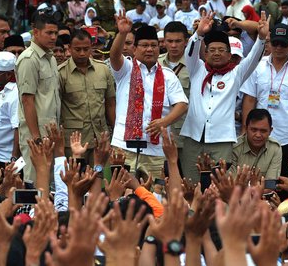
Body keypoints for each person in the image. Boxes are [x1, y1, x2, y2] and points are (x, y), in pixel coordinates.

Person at [180, 11, 268, 182]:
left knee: (219, 186)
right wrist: (198, 33)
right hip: (192, 137)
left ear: (229, 55)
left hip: (221, 140)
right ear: (205, 54)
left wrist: (262, 39)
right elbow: (190, 52)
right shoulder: (197, 69)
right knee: (190, 184)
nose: (216, 53)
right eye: (212, 50)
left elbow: (253, 59)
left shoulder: (236, 74)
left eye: (221, 50)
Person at [109, 14, 188, 178]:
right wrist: (122, 33)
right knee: (121, 195)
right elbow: (114, 56)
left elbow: (182, 104)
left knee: (155, 197)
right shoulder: (126, 70)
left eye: (153, 45)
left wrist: (164, 122)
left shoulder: (168, 75)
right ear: (134, 49)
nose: (150, 49)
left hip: (156, 150)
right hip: (124, 147)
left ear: (159, 49)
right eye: (144, 45)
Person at [241, 23, 288, 177]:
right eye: (275, 43)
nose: (278, 48)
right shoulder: (257, 66)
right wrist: (245, 131)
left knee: (286, 183)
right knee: (257, 181)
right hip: (259, 136)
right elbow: (249, 100)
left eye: (283, 44)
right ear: (269, 43)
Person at [58, 29, 116, 164]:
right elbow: (57, 108)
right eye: (77, 49)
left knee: (103, 179)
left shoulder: (103, 70)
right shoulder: (61, 73)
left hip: (101, 138)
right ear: (69, 48)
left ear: (92, 47)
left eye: (86, 49)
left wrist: (116, 135)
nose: (82, 53)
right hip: (74, 141)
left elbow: (110, 103)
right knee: (76, 180)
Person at [16, 14, 61, 182]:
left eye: (55, 33)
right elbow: (27, 101)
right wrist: (36, 138)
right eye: (49, 33)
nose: (53, 37)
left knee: (50, 184)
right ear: (35, 32)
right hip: (37, 134)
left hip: (51, 132)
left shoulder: (51, 59)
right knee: (35, 183)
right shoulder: (29, 59)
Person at [158, 21, 190, 156]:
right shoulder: (156, 63)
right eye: (169, 41)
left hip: (185, 132)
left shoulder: (195, 66)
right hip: (159, 131)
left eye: (178, 41)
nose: (173, 45)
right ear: (163, 42)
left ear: (186, 42)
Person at [230, 109, 282, 179]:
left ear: (270, 131)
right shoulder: (234, 148)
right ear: (246, 129)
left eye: (263, 131)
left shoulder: (275, 148)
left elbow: (270, 184)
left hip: (264, 190)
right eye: (254, 130)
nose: (258, 135)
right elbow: (231, 183)